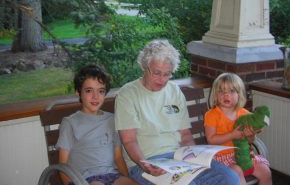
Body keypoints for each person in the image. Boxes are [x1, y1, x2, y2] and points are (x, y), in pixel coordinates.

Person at [115, 39, 240, 185]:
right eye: (157, 73)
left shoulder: (174, 91)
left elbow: (185, 135)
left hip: (180, 158)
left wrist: (198, 157)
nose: (162, 80)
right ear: (144, 66)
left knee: (229, 178)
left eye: (167, 74)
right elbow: (129, 140)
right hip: (146, 162)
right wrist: (146, 165)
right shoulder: (128, 94)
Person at [56, 64, 138, 185]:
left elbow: (118, 158)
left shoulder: (112, 119)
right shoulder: (70, 123)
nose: (95, 96)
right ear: (78, 93)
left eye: (101, 91)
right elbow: (63, 165)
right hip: (85, 179)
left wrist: (128, 179)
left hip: (112, 176)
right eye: (89, 90)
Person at [204, 72, 272, 185]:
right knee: (237, 172)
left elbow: (250, 140)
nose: (226, 95)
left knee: (265, 171)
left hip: (244, 154)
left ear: (239, 94)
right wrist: (232, 135)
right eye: (221, 91)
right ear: (215, 95)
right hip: (221, 157)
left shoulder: (245, 114)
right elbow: (211, 139)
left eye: (231, 91)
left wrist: (250, 135)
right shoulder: (211, 115)